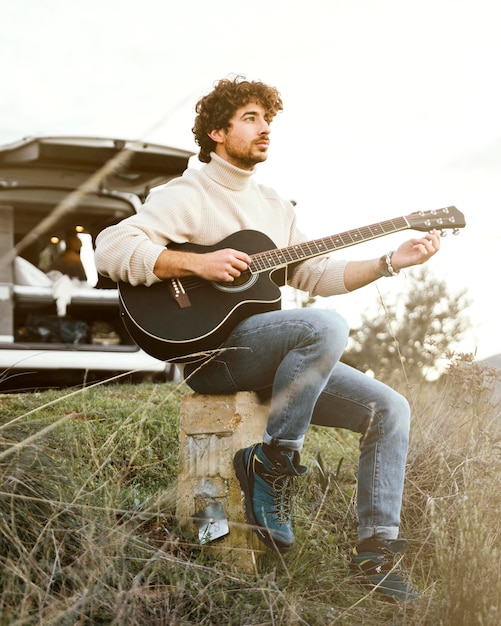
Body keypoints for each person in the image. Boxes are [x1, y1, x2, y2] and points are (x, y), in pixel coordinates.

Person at [94, 76, 441, 601]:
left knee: (390, 408)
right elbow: (110, 248)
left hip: (275, 358)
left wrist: (391, 260)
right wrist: (195, 261)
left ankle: (375, 555)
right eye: (251, 119)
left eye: (268, 120)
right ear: (216, 131)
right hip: (216, 357)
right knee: (323, 325)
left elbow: (317, 274)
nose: (265, 130)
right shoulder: (186, 194)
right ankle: (272, 463)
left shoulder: (276, 207)